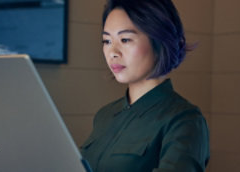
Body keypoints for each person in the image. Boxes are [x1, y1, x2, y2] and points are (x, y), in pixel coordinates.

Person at [80, 0, 210, 171]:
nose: (113, 53)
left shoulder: (184, 120)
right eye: (106, 41)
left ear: (159, 41)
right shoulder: (104, 115)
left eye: (125, 39)